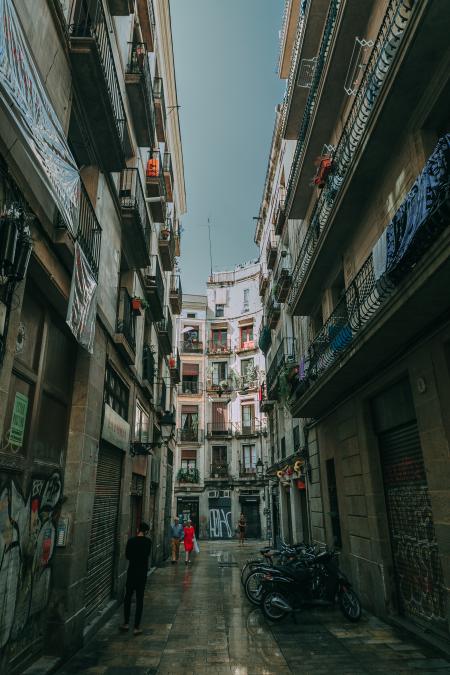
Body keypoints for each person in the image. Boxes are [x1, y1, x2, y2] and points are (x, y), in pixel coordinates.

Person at [120, 522, 152, 635]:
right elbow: (147, 555)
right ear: (146, 531)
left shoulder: (131, 541)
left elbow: (127, 556)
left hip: (131, 572)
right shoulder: (148, 542)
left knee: (128, 597)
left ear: (138, 529)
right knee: (139, 599)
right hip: (142, 574)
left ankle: (126, 623)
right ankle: (136, 627)